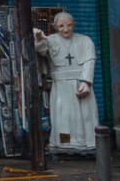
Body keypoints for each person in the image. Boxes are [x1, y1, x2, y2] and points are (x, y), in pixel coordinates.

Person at [34, 11, 98, 153]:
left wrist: (86, 82)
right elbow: (41, 49)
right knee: (63, 117)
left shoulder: (85, 40)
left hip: (80, 85)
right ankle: (64, 143)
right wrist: (38, 37)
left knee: (85, 116)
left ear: (73, 25)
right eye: (61, 26)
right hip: (61, 87)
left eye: (69, 25)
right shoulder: (50, 40)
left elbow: (89, 61)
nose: (66, 29)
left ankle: (88, 142)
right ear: (55, 26)